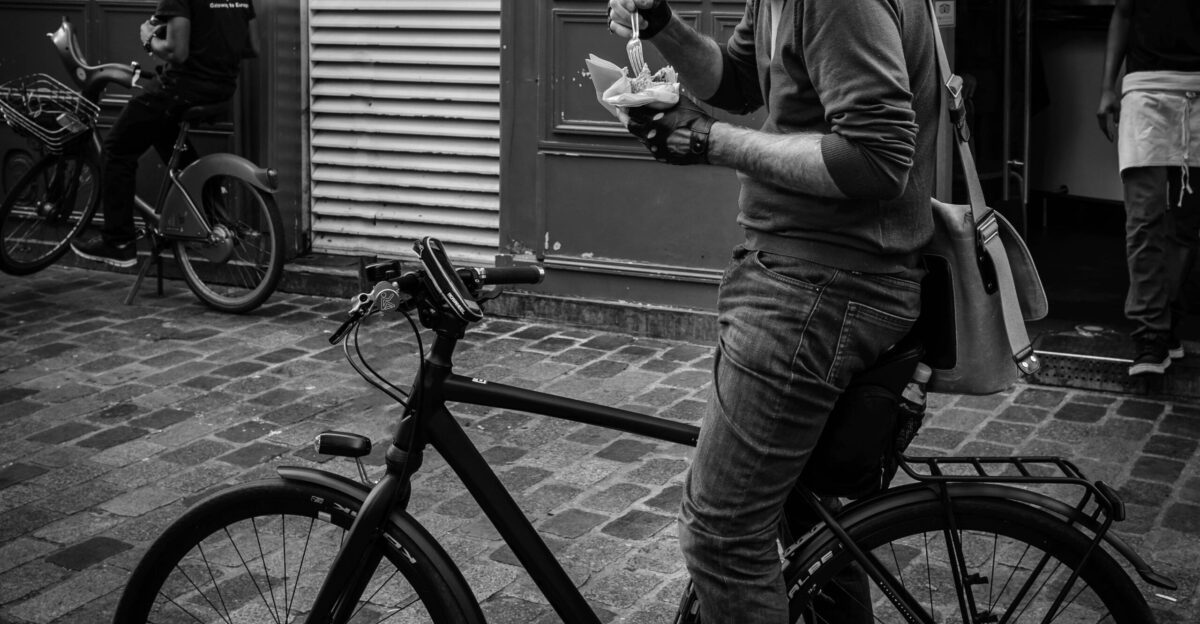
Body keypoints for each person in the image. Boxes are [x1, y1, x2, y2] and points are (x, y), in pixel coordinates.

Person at [606, 0, 938, 621]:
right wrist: (663, 26)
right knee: (808, 518)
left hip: (818, 288)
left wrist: (710, 140)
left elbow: (875, 161)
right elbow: (736, 81)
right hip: (815, 276)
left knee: (723, 537)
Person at [71, 0, 257, 268]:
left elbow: (176, 51)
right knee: (165, 135)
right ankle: (213, 217)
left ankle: (118, 242)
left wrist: (150, 40)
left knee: (115, 149)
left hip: (180, 88)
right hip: (222, 88)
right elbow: (252, 46)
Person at [1096, 0, 1200, 376]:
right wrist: (1108, 87)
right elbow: (1123, 10)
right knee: (1144, 217)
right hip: (1145, 89)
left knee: (1188, 226)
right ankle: (1150, 334)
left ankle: (1165, 322)